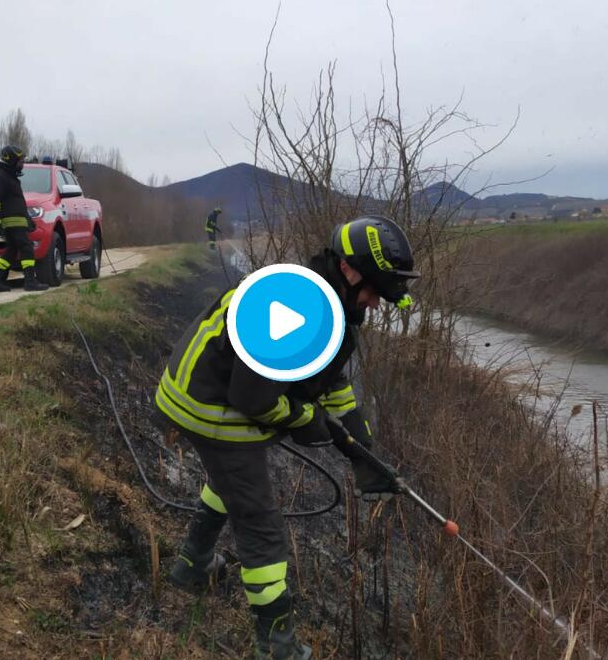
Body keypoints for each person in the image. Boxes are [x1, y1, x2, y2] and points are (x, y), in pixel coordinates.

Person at [155, 216, 419, 659]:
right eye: (375, 290)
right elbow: (252, 399)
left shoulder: (321, 299)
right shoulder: (301, 303)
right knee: (262, 527)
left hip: (195, 395)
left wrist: (353, 428)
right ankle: (277, 646)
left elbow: (325, 374)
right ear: (351, 271)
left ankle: (191, 567)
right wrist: (304, 421)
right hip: (212, 408)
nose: (375, 303)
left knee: (228, 481)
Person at [0, 145, 47, 292]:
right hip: (11, 222)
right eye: (20, 161)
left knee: (12, 251)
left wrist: (28, 219)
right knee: (27, 249)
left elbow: (18, 202)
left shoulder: (10, 177)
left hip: (18, 220)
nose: (22, 164)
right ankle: (30, 282)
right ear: (11, 160)